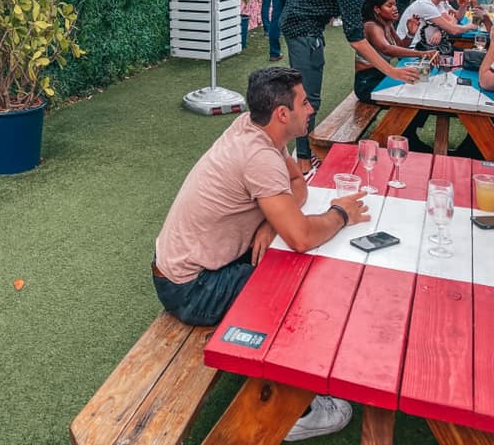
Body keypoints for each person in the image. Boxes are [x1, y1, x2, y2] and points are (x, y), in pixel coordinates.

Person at [152, 66, 367, 440]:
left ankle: (290, 381)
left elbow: (298, 182)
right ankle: (297, 407)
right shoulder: (259, 156)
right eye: (304, 102)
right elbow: (300, 235)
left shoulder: (258, 131)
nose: (311, 107)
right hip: (191, 287)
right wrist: (341, 214)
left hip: (191, 266)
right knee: (296, 280)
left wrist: (270, 221)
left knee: (286, 258)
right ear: (283, 113)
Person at [280, 0, 420, 175]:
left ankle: (302, 153)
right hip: (303, 29)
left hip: (301, 23)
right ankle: (302, 161)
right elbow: (356, 39)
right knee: (309, 97)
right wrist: (392, 72)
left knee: (306, 94)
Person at [354, 0, 437, 101]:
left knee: (418, 89)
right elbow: (387, 49)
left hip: (382, 74)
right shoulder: (371, 26)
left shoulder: (387, 23)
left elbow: (401, 46)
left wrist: (410, 33)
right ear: (377, 9)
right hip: (367, 82)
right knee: (414, 95)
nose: (395, 8)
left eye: (395, 4)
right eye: (389, 5)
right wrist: (421, 53)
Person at [396, 0, 478, 50]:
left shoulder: (437, 1)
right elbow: (453, 29)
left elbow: (455, 20)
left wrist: (463, 7)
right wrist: (471, 26)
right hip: (414, 47)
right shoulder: (426, 5)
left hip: (427, 45)